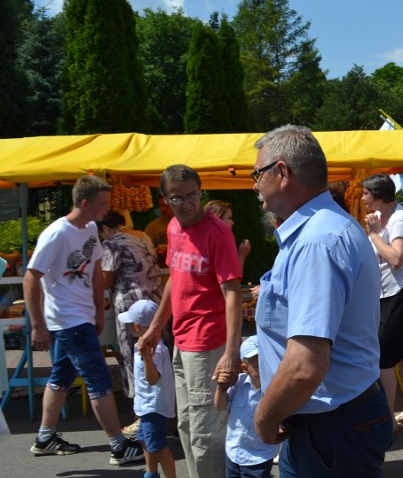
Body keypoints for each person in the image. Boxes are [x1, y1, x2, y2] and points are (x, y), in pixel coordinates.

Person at [251, 125, 392, 477]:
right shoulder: (322, 231)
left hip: (330, 429)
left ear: (281, 172)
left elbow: (305, 365)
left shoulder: (317, 241)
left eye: (257, 173)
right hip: (333, 425)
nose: (254, 184)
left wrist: (264, 419)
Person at [23, 175, 144, 466]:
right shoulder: (56, 234)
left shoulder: (89, 227)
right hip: (68, 320)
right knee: (98, 380)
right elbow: (30, 278)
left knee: (61, 377)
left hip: (80, 318)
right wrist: (38, 326)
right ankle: (118, 445)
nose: (107, 209)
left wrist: (96, 309)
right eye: (103, 204)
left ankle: (45, 437)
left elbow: (93, 270)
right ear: (86, 203)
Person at [138, 165, 244, 478]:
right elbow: (175, 279)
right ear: (164, 200)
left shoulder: (218, 232)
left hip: (207, 342)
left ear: (201, 192)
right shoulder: (173, 227)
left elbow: (232, 294)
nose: (187, 204)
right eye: (178, 198)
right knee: (185, 424)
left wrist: (231, 350)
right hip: (181, 340)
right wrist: (156, 327)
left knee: (205, 434)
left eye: (193, 196)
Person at [360, 173, 403, 432]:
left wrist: (374, 235)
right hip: (388, 293)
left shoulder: (399, 219)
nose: (363, 198)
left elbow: (396, 259)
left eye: (366, 193)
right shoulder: (385, 218)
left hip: (398, 293)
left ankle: (387, 419)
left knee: (384, 358)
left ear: (378, 196)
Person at [96, 210, 164, 405]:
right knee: (157, 351)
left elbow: (106, 280)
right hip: (155, 300)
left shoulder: (111, 243)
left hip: (130, 304)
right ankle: (161, 399)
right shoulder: (142, 236)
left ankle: (140, 405)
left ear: (106, 228)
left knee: (133, 353)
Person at [118, 299, 176, 478]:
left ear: (136, 326)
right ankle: (151, 473)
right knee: (146, 440)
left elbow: (153, 379)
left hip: (154, 407)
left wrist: (146, 359)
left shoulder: (153, 350)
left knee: (158, 445)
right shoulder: (148, 346)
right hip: (148, 405)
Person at [215, 336, 279, 478]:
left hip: (259, 456)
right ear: (245, 368)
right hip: (234, 452)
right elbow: (220, 406)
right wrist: (220, 389)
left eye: (266, 363)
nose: (264, 368)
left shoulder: (274, 390)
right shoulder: (238, 383)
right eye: (258, 366)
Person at [205, 200, 252, 269]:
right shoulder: (221, 243)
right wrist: (242, 255)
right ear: (217, 219)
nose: (232, 223)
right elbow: (234, 278)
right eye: (229, 218)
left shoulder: (201, 240)